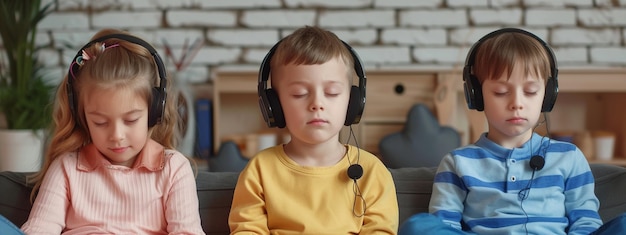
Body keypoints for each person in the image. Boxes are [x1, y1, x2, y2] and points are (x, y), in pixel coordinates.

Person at [398, 28, 626, 235]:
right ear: (476, 95)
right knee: (419, 226)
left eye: (530, 91)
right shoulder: (457, 162)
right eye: (500, 92)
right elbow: (444, 224)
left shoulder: (569, 157)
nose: (517, 103)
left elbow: (586, 223)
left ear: (547, 96)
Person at [20, 29, 205, 234]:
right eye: (100, 122)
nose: (117, 135)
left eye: (131, 120)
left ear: (154, 113)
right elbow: (38, 229)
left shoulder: (174, 169)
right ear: (82, 119)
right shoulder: (66, 168)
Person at [228, 26, 399, 234]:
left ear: (353, 101)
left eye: (332, 92)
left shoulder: (372, 172)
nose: (317, 104)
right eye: (299, 94)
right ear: (275, 105)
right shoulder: (259, 170)